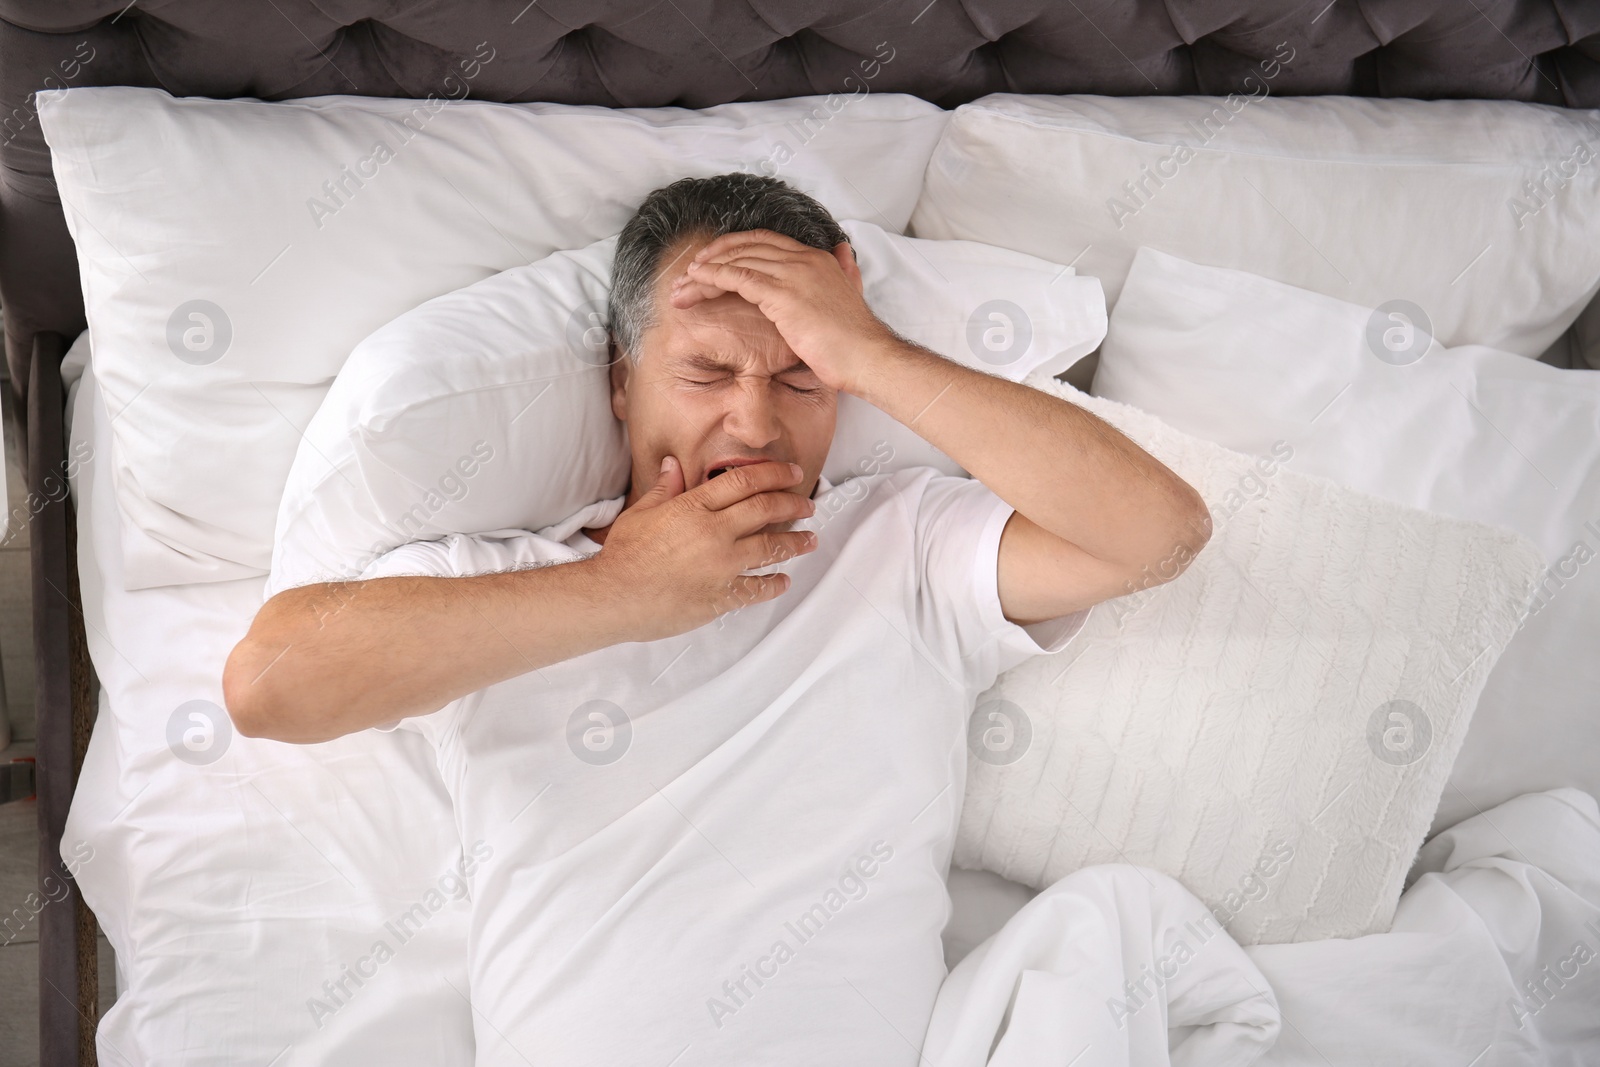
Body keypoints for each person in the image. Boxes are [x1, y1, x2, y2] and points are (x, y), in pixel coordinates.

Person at [224, 172, 1210, 1064]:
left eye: (798, 379)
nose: (754, 422)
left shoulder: (899, 546)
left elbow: (1155, 534)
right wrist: (620, 593)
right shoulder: (506, 583)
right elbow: (268, 685)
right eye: (706, 372)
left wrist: (869, 350)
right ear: (621, 380)